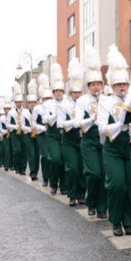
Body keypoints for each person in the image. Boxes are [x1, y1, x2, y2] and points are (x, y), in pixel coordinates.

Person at [98, 45, 131, 237]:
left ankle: (129, 221)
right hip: (113, 148)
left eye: (125, 84)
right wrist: (120, 124)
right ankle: (115, 220)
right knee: (117, 184)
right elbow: (101, 128)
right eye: (118, 84)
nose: (123, 87)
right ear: (112, 86)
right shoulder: (105, 102)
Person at [77, 51, 108, 218]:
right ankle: (91, 201)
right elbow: (77, 122)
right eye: (93, 84)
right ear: (88, 86)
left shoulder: (107, 99)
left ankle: (102, 207)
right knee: (94, 173)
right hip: (89, 139)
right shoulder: (82, 101)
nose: (96, 86)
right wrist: (91, 119)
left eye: (99, 83)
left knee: (104, 174)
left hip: (104, 139)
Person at [61, 58, 86, 207]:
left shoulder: (85, 103)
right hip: (69, 140)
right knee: (73, 168)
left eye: (79, 92)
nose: (77, 94)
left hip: (82, 139)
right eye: (75, 92)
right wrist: (74, 122)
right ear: (71, 92)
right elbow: (60, 123)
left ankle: (82, 193)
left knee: (83, 168)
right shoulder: (64, 105)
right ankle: (72, 194)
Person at [43, 64, 65, 195]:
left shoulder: (67, 102)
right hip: (52, 135)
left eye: (61, 90)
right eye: (56, 91)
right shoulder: (47, 104)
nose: (59, 93)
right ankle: (54, 183)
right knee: (55, 159)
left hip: (64, 135)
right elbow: (46, 120)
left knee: (64, 160)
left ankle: (63, 185)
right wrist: (57, 114)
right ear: (53, 92)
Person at [7, 82, 26, 175]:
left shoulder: (25, 111)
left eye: (20, 102)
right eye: (17, 102)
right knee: (17, 150)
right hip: (15, 133)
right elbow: (8, 125)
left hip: (23, 132)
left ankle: (23, 168)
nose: (19, 104)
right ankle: (16, 167)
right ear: (15, 103)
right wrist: (15, 126)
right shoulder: (11, 112)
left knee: (24, 150)